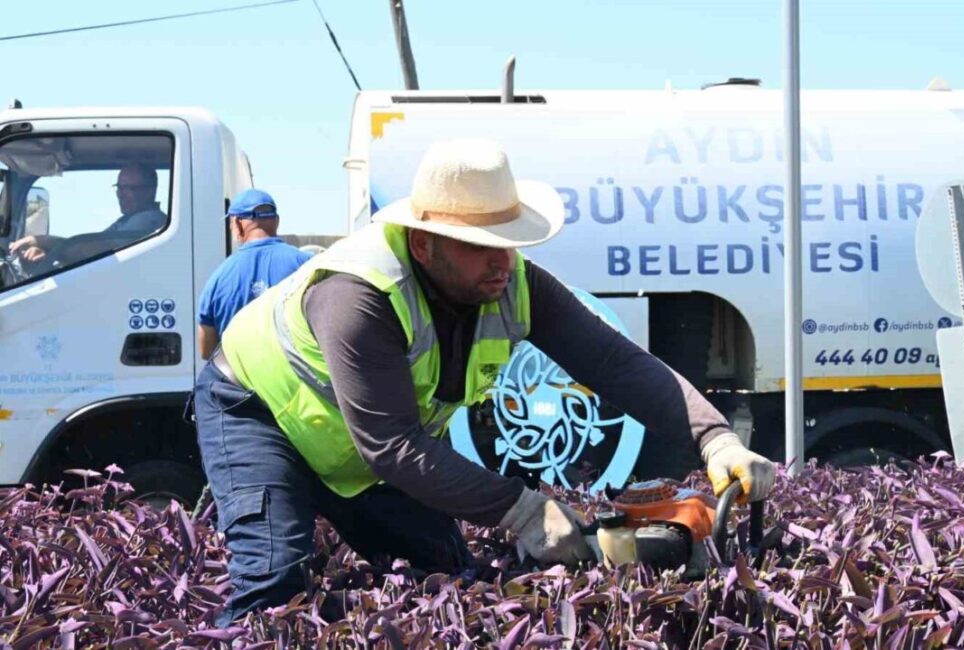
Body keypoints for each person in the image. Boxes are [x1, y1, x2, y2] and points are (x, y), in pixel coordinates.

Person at [192, 139, 776, 627]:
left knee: (441, 567)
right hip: (258, 416)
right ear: (422, 243)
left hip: (363, 447)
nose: (504, 262)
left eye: (510, 244)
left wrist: (716, 439)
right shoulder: (357, 295)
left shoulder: (513, 282)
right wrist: (523, 510)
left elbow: (615, 363)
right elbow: (392, 446)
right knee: (273, 579)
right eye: (481, 248)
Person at [196, 189, 312, 359]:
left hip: (240, 382)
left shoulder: (218, 278)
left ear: (237, 223)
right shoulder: (308, 265)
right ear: (277, 221)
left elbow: (207, 351)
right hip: (299, 381)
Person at [8, 164, 167, 263]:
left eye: (130, 189)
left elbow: (96, 253)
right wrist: (48, 255)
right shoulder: (128, 220)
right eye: (120, 187)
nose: (121, 194)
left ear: (150, 191)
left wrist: (45, 242)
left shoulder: (148, 221)